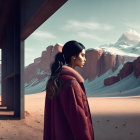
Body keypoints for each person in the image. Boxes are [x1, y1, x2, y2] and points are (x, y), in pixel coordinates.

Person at [43, 40, 94, 140]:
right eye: (82, 55)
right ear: (73, 57)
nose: (85, 59)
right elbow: (79, 123)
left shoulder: (55, 79)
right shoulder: (71, 83)